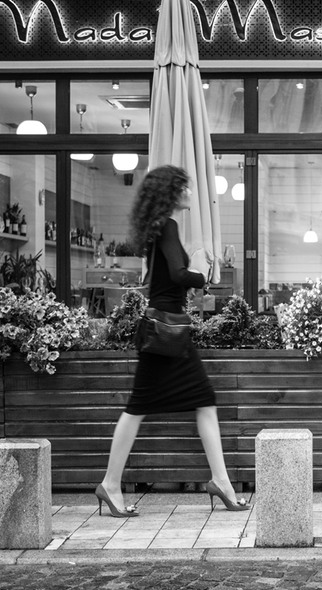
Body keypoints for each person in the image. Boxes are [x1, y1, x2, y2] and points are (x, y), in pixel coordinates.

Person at [95, 164, 249, 518]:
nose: (189, 192)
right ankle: (111, 484)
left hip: (165, 330)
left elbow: (167, 280)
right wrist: (201, 272)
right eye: (185, 187)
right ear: (171, 193)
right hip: (166, 332)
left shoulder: (159, 228)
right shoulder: (168, 226)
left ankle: (220, 481)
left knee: (193, 401)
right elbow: (179, 276)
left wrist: (189, 274)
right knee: (146, 406)